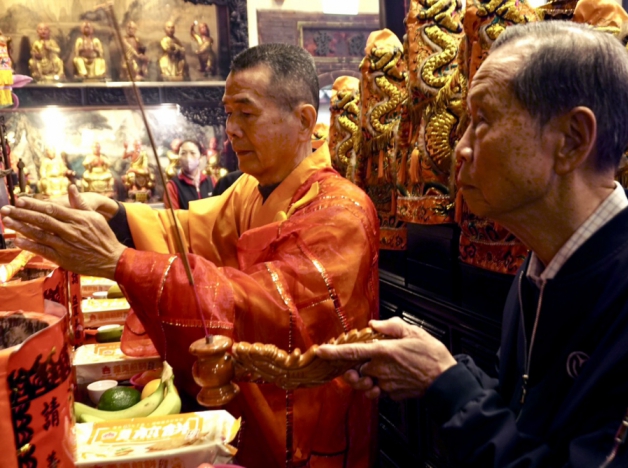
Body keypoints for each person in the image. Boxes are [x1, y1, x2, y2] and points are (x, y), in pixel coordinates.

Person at [316, 21, 628, 466]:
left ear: (572, 140)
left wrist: (448, 385)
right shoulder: (540, 267)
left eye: (482, 120)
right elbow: (527, 420)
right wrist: (441, 368)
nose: (459, 149)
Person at [1, 43, 378, 468]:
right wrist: (117, 215)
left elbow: (263, 305)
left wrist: (119, 261)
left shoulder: (341, 212)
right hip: (249, 409)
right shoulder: (250, 188)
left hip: (309, 421)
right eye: (228, 113)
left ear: (304, 120)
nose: (231, 129)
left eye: (246, 113)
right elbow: (192, 234)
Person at [164, 139, 214, 210]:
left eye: (192, 153)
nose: (188, 157)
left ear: (200, 157)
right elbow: (174, 215)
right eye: (183, 153)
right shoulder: (172, 186)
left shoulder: (211, 181)